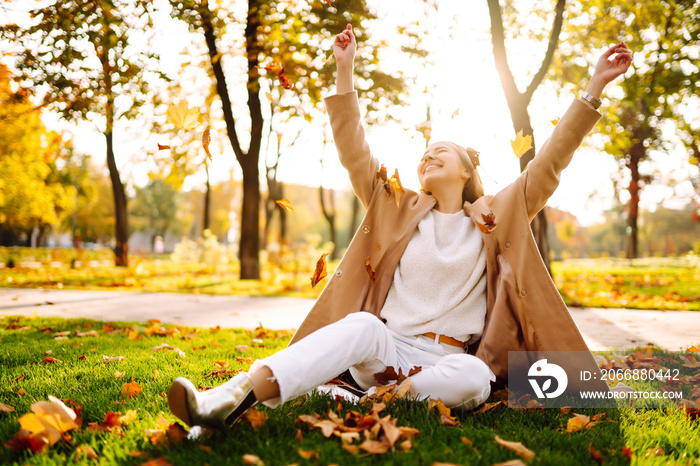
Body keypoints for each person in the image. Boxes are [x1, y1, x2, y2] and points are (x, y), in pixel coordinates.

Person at [168, 24, 633, 429]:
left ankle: (367, 402)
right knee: (362, 326)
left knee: (476, 378)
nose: (428, 155)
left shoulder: (500, 212)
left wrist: (593, 88)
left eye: (441, 152)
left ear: (467, 169)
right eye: (424, 153)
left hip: (449, 362)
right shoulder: (396, 204)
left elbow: (551, 161)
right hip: (388, 348)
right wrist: (344, 70)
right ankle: (225, 399)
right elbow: (354, 151)